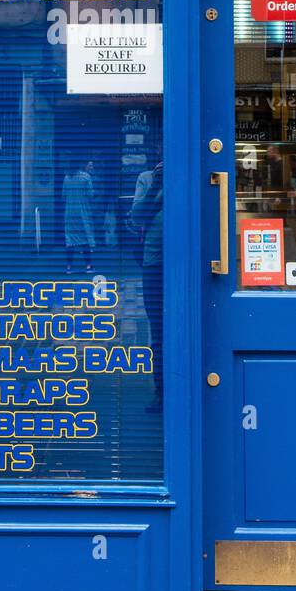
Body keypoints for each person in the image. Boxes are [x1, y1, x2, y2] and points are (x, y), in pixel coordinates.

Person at [133, 159, 163, 410]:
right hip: (154, 263)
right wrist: (157, 185)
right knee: (158, 329)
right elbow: (137, 216)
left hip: (185, 263)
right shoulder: (147, 178)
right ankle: (161, 391)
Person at [62, 157, 95, 273]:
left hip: (69, 213)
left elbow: (63, 195)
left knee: (70, 240)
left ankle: (69, 267)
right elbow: (91, 195)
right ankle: (88, 266)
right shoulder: (86, 177)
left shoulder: (66, 178)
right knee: (85, 238)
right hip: (83, 212)